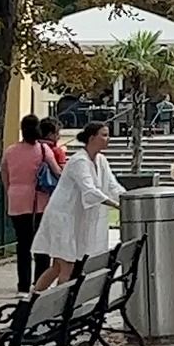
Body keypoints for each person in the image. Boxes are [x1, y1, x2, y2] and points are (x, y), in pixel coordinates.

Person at [35, 116, 121, 281]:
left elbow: (112, 186)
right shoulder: (78, 161)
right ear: (91, 138)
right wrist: (116, 205)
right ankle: (60, 304)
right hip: (63, 218)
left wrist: (127, 199)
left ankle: (32, 301)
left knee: (57, 267)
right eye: (103, 135)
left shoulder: (101, 160)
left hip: (74, 219)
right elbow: (89, 190)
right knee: (66, 266)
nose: (107, 139)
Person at [1, 110, 50, 294]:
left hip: (17, 200)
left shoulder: (11, 151)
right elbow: (55, 170)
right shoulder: (43, 150)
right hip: (40, 201)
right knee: (42, 244)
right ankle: (40, 284)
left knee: (23, 244)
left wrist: (10, 189)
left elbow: (4, 171)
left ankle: (22, 286)